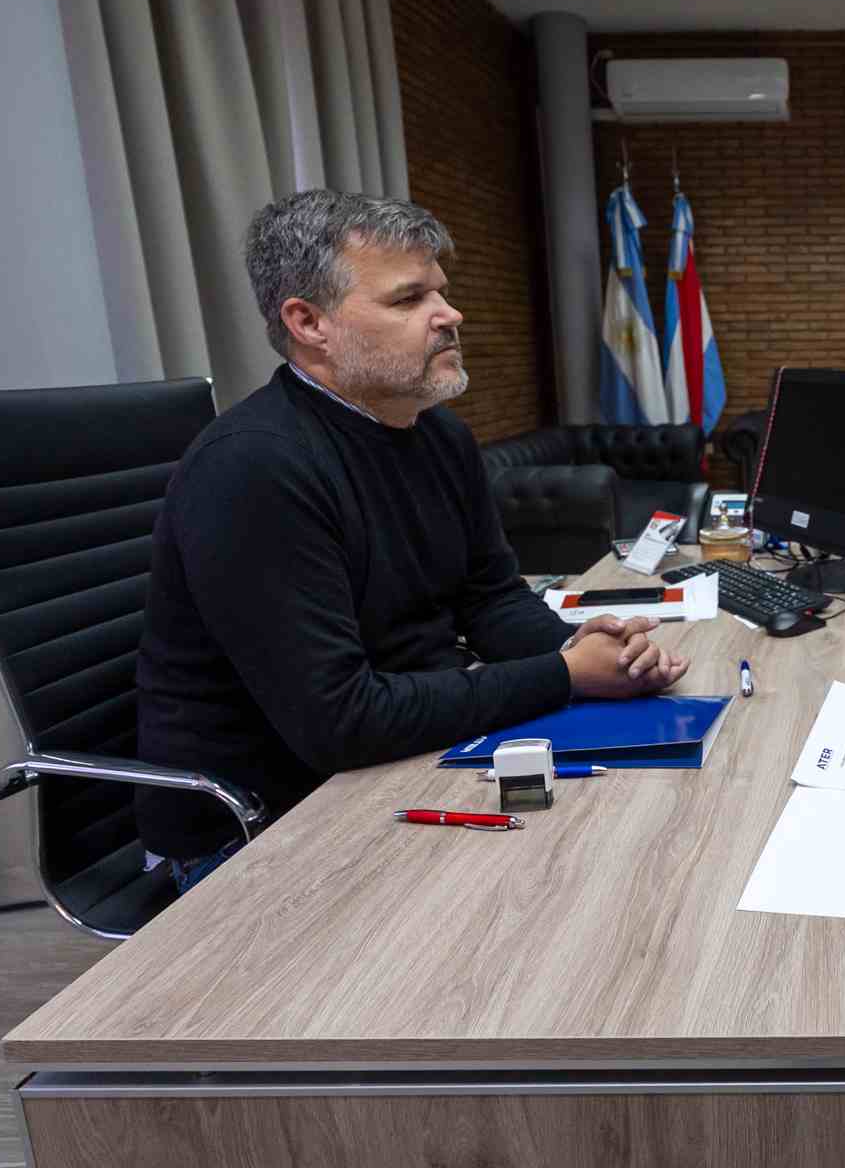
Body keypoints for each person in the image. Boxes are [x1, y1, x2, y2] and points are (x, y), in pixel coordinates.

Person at [136, 189, 689, 893]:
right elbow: (341, 721)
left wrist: (585, 647)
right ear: (309, 323)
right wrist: (567, 675)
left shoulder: (438, 433)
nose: (449, 314)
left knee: (639, 853)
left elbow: (489, 598)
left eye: (441, 292)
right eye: (408, 299)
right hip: (263, 827)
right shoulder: (253, 467)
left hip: (406, 758)